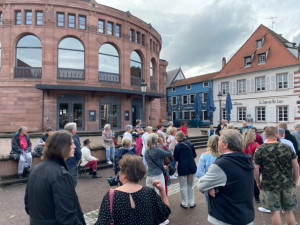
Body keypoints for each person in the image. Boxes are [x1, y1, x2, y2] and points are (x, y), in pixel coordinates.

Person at [24, 130, 86, 225]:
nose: (75, 146)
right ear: (62, 146)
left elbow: (28, 207)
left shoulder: (36, 169)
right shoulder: (61, 175)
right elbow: (67, 217)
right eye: (72, 143)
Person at [198, 129, 254, 225]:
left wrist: (210, 186)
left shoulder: (222, 164)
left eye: (219, 140)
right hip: (245, 214)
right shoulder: (245, 159)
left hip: (227, 217)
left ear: (225, 144)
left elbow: (201, 185)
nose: (217, 142)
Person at [95, 155, 171, 225]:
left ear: (125, 174)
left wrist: (101, 213)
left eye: (120, 170)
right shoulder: (149, 192)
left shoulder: (111, 196)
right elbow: (165, 212)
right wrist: (162, 191)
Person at [254, 126, 299, 225]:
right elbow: (296, 167)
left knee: (275, 213)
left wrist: (258, 182)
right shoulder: (287, 148)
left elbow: (256, 169)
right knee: (289, 211)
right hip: (287, 183)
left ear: (266, 135)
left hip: (270, 185)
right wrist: (294, 182)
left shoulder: (260, 149)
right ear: (276, 134)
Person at [174, 131, 197, 209]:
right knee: (191, 185)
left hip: (182, 167)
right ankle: (192, 202)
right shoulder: (190, 144)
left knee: (183, 186)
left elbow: (175, 158)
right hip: (191, 166)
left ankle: (185, 203)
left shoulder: (178, 146)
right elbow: (194, 155)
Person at [196, 135, 219, 205]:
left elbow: (199, 173)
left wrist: (209, 188)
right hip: (220, 184)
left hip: (208, 184)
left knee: (210, 207)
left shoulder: (204, 156)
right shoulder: (222, 155)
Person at [242, 129, 260, 203]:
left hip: (242, 165)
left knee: (244, 182)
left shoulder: (241, 144)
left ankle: (246, 197)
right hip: (252, 165)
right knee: (255, 181)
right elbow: (257, 157)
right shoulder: (256, 145)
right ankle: (256, 197)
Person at [64, 122, 82, 187]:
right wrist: (79, 159)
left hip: (63, 163)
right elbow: (78, 152)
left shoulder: (62, 138)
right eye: (76, 128)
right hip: (72, 163)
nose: (76, 130)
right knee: (73, 181)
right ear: (73, 131)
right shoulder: (74, 139)